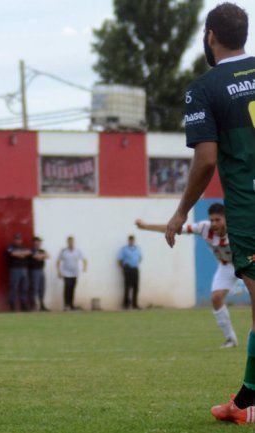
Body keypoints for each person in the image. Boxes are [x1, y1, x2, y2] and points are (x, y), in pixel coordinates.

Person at [161, 3, 255, 423]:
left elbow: (205, 160)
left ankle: (247, 402)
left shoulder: (205, 87)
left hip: (249, 207)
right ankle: (245, 402)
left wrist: (181, 210)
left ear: (210, 35)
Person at [138, 204, 238, 345]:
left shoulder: (238, 230)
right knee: (216, 298)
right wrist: (146, 226)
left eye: (218, 220)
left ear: (227, 219)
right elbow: (174, 228)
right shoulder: (204, 228)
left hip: (245, 265)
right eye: (212, 220)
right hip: (226, 266)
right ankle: (230, 339)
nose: (214, 224)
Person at [56, 236, 87, 311]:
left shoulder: (77, 251)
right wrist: (59, 271)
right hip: (66, 273)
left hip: (75, 273)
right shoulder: (63, 251)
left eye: (72, 242)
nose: (71, 243)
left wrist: (84, 267)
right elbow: (58, 261)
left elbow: (84, 259)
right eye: (69, 242)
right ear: (67, 242)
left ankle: (71, 305)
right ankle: (66, 305)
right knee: (67, 288)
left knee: (72, 289)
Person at [6, 233, 32, 311]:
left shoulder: (23, 247)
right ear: (14, 240)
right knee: (14, 287)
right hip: (15, 269)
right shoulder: (10, 247)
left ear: (21, 240)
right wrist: (21, 254)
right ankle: (12, 305)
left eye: (19, 239)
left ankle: (23, 304)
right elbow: (13, 253)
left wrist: (19, 254)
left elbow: (29, 252)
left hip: (24, 269)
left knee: (24, 287)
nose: (18, 241)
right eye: (16, 239)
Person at [117, 235, 143, 310]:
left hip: (135, 269)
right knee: (127, 287)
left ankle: (135, 304)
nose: (131, 241)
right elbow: (119, 260)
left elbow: (140, 258)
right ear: (128, 241)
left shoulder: (137, 249)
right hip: (127, 269)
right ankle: (126, 304)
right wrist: (123, 269)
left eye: (132, 240)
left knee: (136, 287)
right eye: (130, 240)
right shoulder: (124, 249)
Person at [29, 236, 49, 311]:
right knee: (35, 288)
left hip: (41, 270)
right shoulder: (31, 250)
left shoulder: (41, 250)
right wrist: (42, 256)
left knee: (42, 288)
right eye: (37, 241)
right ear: (34, 242)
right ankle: (34, 305)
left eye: (39, 242)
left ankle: (42, 305)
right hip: (34, 270)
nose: (38, 243)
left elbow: (47, 256)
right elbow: (36, 257)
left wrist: (41, 256)